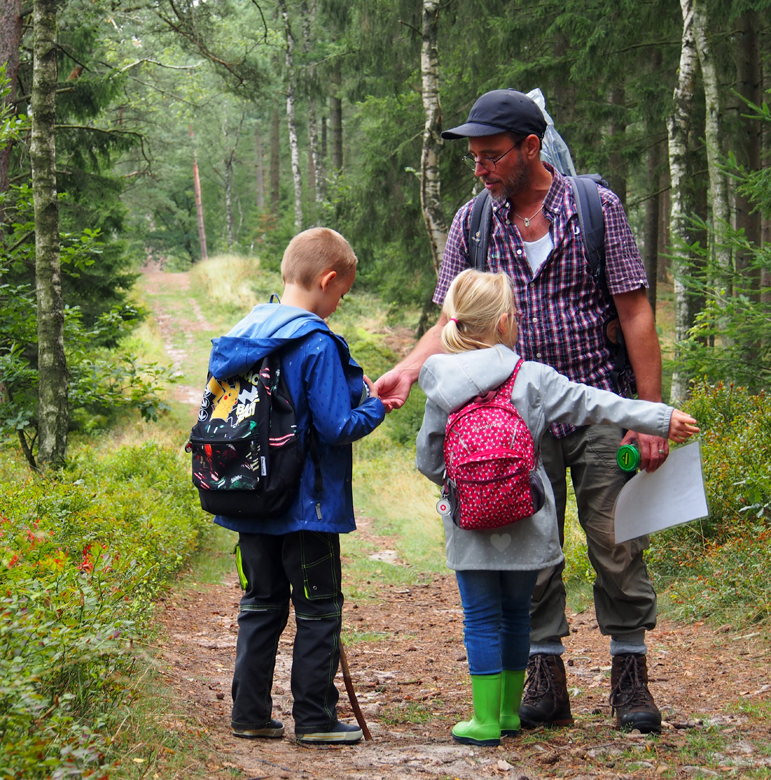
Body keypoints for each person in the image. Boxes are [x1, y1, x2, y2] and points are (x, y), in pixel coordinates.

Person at [376, 88, 674, 733]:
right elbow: (450, 320)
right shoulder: (471, 223)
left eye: (490, 156)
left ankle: (629, 677)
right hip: (511, 419)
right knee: (527, 551)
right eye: (474, 158)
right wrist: (405, 369)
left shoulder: (596, 208)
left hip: (597, 404)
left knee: (616, 543)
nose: (479, 168)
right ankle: (544, 678)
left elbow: (634, 311)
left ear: (530, 148)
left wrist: (644, 413)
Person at [414, 269, 699, 748]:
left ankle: (484, 719)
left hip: (470, 526)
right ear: (506, 322)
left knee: (482, 617)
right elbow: (597, 404)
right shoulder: (533, 378)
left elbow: (428, 458)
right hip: (529, 520)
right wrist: (660, 417)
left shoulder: (441, 382)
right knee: (515, 615)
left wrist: (468, 486)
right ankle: (507, 713)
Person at [208, 227, 385, 745]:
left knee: (261, 604)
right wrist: (375, 405)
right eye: (342, 294)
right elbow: (336, 427)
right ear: (328, 280)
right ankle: (314, 718)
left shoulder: (244, 332)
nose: (338, 304)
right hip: (306, 508)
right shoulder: (315, 343)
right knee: (318, 608)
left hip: (248, 501)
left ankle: (250, 713)